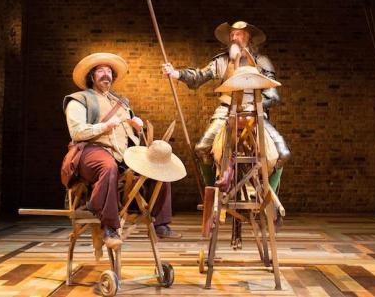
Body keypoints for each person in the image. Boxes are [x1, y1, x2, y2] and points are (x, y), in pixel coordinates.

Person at [64, 53, 181, 249]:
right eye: (100, 71)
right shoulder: (79, 99)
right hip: (91, 150)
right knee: (107, 166)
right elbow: (76, 131)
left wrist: (137, 125)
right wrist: (105, 126)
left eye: (109, 71)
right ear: (91, 76)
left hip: (124, 154)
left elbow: (129, 133)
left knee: (160, 162)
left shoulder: (121, 102)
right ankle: (109, 227)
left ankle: (161, 222)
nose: (106, 74)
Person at [162, 21, 290, 191]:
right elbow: (199, 76)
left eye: (239, 34)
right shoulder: (222, 61)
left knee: (283, 153)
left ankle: (269, 196)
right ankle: (212, 194)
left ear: (249, 37)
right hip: (226, 111)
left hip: (255, 112)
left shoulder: (262, 62)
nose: (234, 37)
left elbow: (273, 96)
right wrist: (176, 73)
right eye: (232, 34)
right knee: (202, 148)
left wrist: (255, 105)